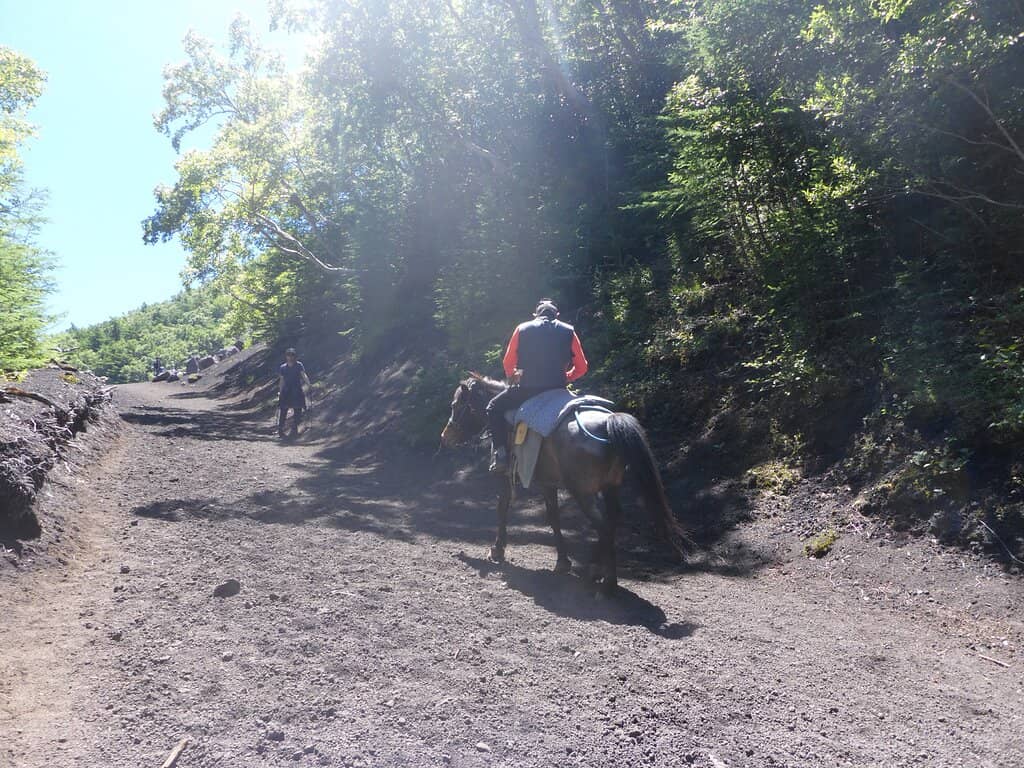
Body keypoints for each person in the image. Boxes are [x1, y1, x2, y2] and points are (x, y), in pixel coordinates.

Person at [486, 299, 588, 472]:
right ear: (557, 315)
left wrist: (514, 376)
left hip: (528, 390)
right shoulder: (569, 330)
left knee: (493, 407)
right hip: (558, 390)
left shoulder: (522, 328)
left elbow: (508, 362)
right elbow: (582, 367)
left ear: (535, 315)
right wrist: (567, 377)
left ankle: (501, 455)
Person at [278, 348, 311, 438]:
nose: (290, 357)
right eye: (289, 355)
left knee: (298, 410)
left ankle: (294, 429)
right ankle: (280, 429)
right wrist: (280, 391)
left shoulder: (299, 365)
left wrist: (308, 384)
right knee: (283, 410)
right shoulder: (283, 367)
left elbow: (303, 374)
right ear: (286, 356)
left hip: (296, 390)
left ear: (294, 356)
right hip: (286, 391)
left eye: (292, 355)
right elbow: (282, 380)